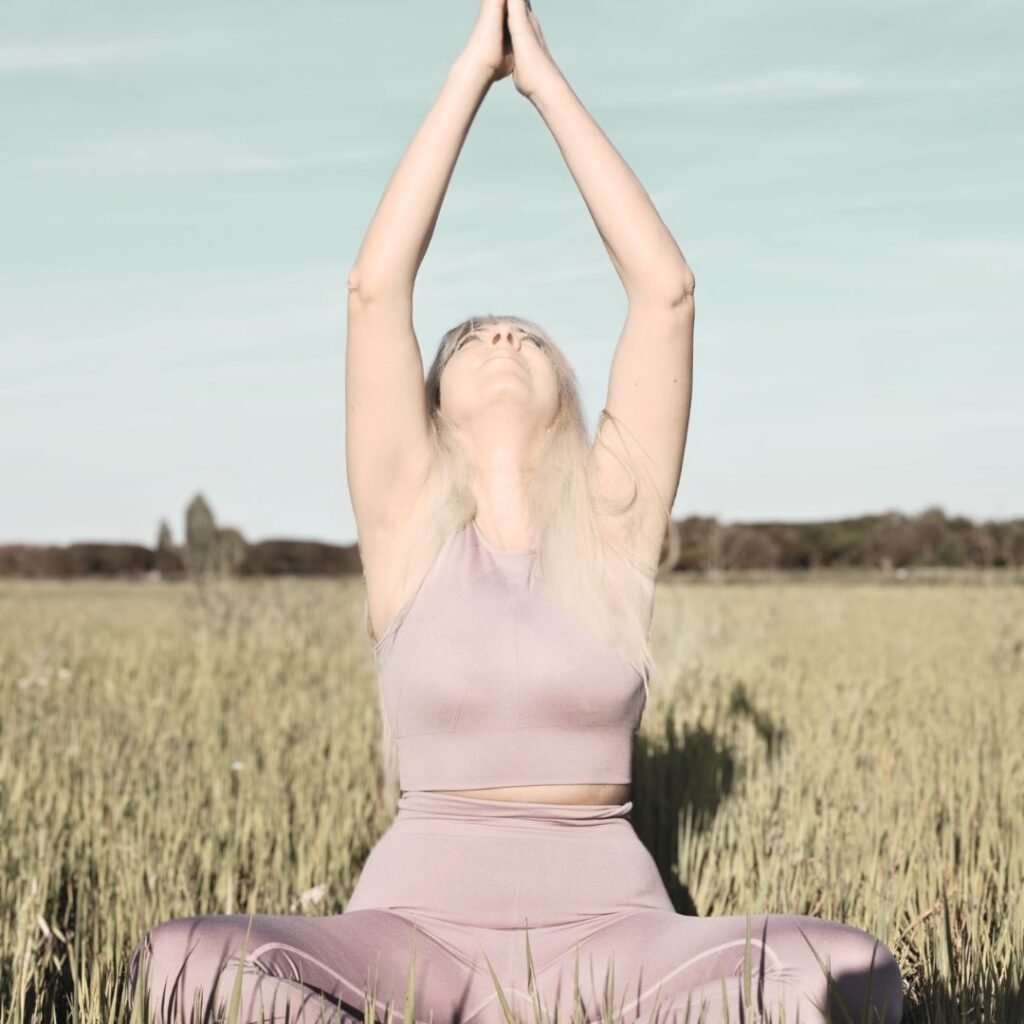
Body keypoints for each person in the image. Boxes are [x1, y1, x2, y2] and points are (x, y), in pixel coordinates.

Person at [126, 0, 904, 1021]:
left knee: (846, 967)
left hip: (613, 935)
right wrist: (471, 71)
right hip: (413, 934)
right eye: (474, 337)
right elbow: (374, 289)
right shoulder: (407, 530)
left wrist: (541, 80)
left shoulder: (613, 529)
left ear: (568, 395)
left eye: (529, 337)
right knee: (181, 958)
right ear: (432, 402)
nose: (501, 339)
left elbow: (665, 290)